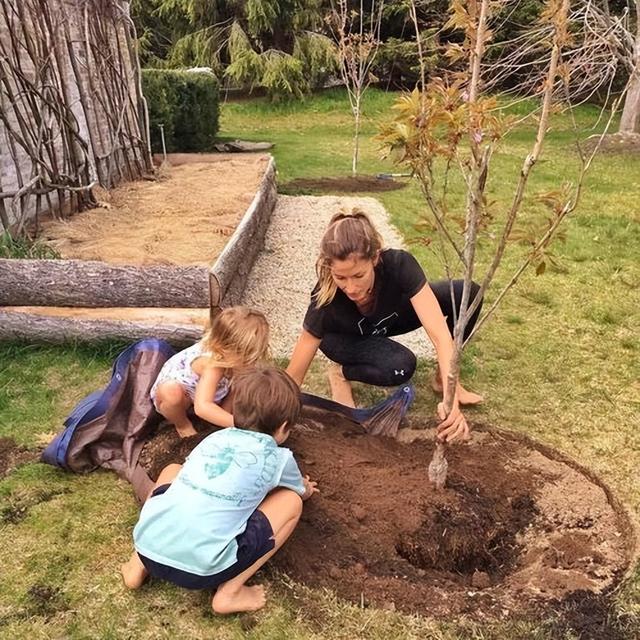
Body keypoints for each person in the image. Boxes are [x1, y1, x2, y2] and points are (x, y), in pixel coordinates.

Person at [121, 366, 318, 614]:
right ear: (284, 426)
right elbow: (299, 490)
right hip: (203, 570)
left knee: (172, 470)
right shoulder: (279, 458)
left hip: (148, 546)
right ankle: (230, 593)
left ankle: (136, 564)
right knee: (291, 501)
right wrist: (306, 488)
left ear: (235, 411)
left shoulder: (215, 439)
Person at [286, 210, 484, 443]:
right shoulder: (325, 298)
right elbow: (294, 376)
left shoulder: (399, 264)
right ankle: (339, 374)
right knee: (400, 366)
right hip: (345, 338)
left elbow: (439, 334)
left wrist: (451, 396)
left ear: (375, 258)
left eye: (359, 275)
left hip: (387, 319)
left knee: (467, 294)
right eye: (341, 278)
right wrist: (274, 413)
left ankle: (441, 378)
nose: (350, 288)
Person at [150, 306, 269, 437]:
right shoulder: (213, 365)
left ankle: (221, 418)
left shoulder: (232, 358)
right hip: (184, 397)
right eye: (246, 355)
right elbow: (202, 407)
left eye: (253, 355)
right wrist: (241, 425)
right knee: (171, 393)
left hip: (212, 391)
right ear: (224, 348)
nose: (250, 361)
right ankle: (183, 425)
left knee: (241, 379)